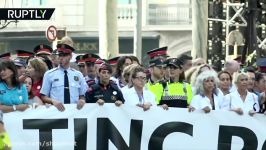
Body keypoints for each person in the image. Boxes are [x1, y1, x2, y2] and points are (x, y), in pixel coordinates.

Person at [40, 44, 88, 111]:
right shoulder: (49, 74)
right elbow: (43, 96)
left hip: (74, 112)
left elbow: (82, 95)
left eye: (64, 55)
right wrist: (53, 101)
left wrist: (82, 100)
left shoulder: (78, 75)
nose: (61, 58)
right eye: (60, 55)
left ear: (70, 56)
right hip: (56, 112)